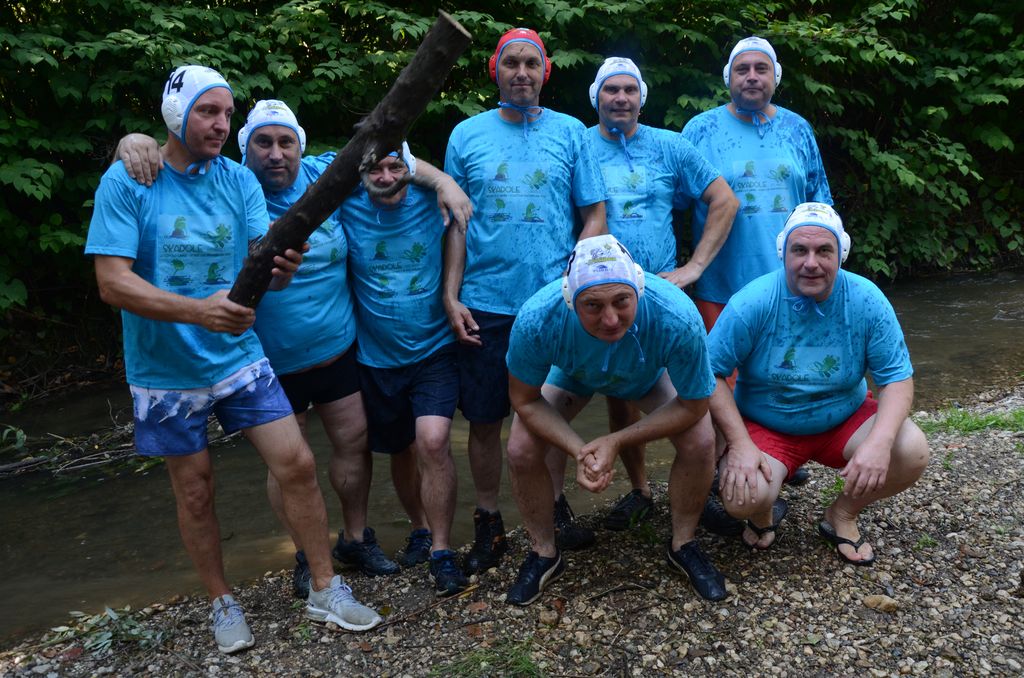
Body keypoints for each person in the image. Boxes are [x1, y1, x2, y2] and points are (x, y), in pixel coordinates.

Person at [116, 100, 473, 594]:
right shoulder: (230, 187)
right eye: (262, 143)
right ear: (245, 150)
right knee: (288, 462)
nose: (275, 153)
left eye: (286, 142)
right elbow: (176, 170)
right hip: (267, 357)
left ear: (300, 146)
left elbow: (391, 157)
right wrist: (134, 143)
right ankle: (306, 554)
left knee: (353, 444)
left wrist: (446, 181)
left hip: (337, 348)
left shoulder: (326, 175)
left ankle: (355, 537)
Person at [85, 65, 381, 654]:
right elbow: (112, 283)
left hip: (238, 356)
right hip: (165, 370)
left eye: (226, 113)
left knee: (297, 463)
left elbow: (261, 266)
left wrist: (281, 270)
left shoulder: (239, 180)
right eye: (207, 111)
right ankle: (222, 600)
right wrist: (200, 312)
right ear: (176, 114)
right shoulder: (130, 179)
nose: (221, 124)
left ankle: (325, 587)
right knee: (195, 491)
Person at [443, 27, 608, 573]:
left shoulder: (571, 132)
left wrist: (576, 280)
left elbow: (594, 214)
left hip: (553, 301)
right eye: (511, 62)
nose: (521, 72)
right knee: (484, 418)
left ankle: (555, 507)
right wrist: (451, 295)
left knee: (548, 409)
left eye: (531, 63)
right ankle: (488, 520)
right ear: (495, 69)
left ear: (545, 72)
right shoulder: (466, 134)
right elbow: (456, 226)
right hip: (485, 301)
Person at [504, 234, 727, 605]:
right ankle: (543, 552)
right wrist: (580, 450)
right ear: (570, 300)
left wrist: (615, 440)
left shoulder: (676, 315)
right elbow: (524, 401)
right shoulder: (538, 318)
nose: (610, 319)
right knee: (520, 447)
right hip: (574, 373)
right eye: (592, 305)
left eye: (622, 301)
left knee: (700, 440)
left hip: (645, 374)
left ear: (638, 289)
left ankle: (684, 543)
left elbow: (694, 404)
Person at [569, 57, 737, 532]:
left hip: (661, 293)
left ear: (641, 98)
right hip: (600, 295)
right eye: (611, 90)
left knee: (693, 382)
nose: (620, 98)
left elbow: (724, 199)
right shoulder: (578, 146)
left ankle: (706, 484)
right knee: (617, 390)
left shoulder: (670, 145)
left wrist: (694, 267)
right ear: (596, 97)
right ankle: (640, 490)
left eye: (629, 90)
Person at [706, 203, 929, 562]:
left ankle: (842, 514)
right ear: (783, 253)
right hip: (767, 424)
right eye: (800, 250)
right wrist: (739, 443)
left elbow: (896, 380)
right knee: (740, 498)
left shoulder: (867, 300)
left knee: (911, 450)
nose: (811, 263)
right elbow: (711, 373)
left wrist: (879, 443)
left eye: (824, 250)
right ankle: (763, 512)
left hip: (843, 420)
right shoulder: (753, 301)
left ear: (841, 254)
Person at [683, 35, 832, 496]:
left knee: (779, 369)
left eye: (760, 69)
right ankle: (722, 467)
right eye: (742, 69)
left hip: (791, 281)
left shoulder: (797, 129)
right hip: (721, 281)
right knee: (719, 377)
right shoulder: (700, 130)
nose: (751, 76)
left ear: (775, 77)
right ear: (728, 77)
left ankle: (776, 451)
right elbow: (674, 199)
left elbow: (820, 201)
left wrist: (829, 265)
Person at [341, 150, 468, 596]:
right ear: (360, 172)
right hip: (374, 356)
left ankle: (442, 551)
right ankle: (419, 528)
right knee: (399, 450)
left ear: (410, 167)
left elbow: (459, 230)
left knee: (432, 441)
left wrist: (451, 294)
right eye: (375, 168)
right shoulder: (344, 200)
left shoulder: (432, 197)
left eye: (395, 166)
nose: (385, 176)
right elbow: (302, 166)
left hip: (434, 349)